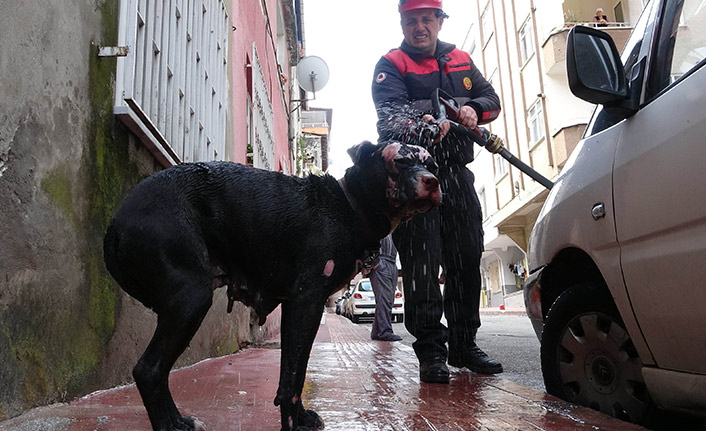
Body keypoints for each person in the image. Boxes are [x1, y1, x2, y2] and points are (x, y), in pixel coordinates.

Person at [371, 0, 503, 384]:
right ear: (403, 23)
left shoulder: (461, 59)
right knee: (421, 265)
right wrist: (426, 126)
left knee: (466, 256)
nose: (419, 27)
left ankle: (465, 343)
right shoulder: (391, 64)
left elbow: (492, 99)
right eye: (412, 20)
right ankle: (431, 351)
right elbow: (390, 120)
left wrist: (474, 110)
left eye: (427, 19)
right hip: (414, 176)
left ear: (439, 21)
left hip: (457, 175)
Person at [369, 235, 403, 341]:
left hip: (391, 263)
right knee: (384, 300)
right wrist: (375, 262)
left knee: (387, 300)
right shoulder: (379, 222)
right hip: (382, 262)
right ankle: (385, 332)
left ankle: (377, 331)